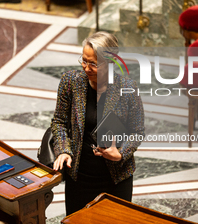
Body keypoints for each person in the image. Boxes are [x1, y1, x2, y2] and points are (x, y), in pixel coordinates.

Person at [51, 31, 145, 215]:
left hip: (116, 179)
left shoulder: (128, 89)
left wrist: (121, 153)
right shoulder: (70, 82)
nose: (86, 68)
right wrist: (63, 149)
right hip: (80, 177)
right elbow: (59, 122)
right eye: (84, 61)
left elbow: (137, 131)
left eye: (93, 64)